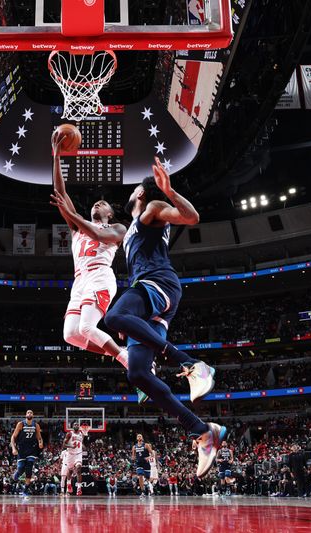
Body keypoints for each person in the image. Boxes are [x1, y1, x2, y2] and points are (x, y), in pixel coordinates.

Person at [99, 158, 224, 476]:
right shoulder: (131, 229)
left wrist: (169, 190)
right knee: (137, 373)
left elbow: (191, 217)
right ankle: (201, 431)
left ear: (140, 192)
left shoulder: (151, 208)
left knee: (113, 316)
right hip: (152, 299)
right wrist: (135, 321)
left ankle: (190, 363)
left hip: (158, 284)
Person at [49, 132, 131, 374]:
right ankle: (121, 354)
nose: (97, 204)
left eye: (102, 204)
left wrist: (70, 214)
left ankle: (126, 358)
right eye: (95, 203)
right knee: (71, 334)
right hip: (80, 281)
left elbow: (98, 236)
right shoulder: (78, 226)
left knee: (86, 328)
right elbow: (59, 191)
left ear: (109, 213)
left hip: (99, 277)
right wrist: (57, 155)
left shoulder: (117, 228)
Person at [10, 409, 44, 497]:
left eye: (31, 412)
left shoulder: (36, 425)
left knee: (29, 469)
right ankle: (17, 474)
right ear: (26, 415)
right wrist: (13, 448)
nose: (29, 413)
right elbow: (13, 437)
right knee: (21, 468)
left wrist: (41, 443)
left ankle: (25, 490)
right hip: (21, 449)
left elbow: (39, 437)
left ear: (33, 415)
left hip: (31, 449)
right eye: (28, 412)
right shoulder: (21, 424)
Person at [61, 422, 85, 496]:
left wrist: (83, 447)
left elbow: (81, 443)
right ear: (72, 426)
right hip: (70, 454)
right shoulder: (69, 434)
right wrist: (71, 446)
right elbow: (64, 444)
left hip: (78, 454)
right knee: (70, 471)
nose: (76, 426)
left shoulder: (82, 434)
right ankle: (68, 483)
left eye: (77, 425)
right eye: (75, 424)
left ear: (79, 426)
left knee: (78, 469)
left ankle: (79, 489)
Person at [131, 434, 154, 498]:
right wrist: (133, 458)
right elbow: (133, 456)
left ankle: (150, 489)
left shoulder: (146, 445)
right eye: (138, 436)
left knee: (147, 478)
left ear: (142, 438)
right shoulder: (134, 447)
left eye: (140, 436)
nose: (139, 437)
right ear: (136, 438)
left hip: (146, 463)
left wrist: (149, 457)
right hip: (139, 463)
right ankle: (143, 492)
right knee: (140, 476)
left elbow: (152, 454)